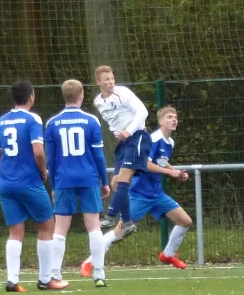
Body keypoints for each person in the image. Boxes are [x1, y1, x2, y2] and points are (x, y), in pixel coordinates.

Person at [80, 106, 191, 274]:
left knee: (185, 221)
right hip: (140, 193)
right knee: (120, 230)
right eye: (169, 117)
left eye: (175, 117)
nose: (174, 120)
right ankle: (89, 262)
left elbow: (160, 161)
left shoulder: (170, 142)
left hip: (157, 194)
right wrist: (170, 172)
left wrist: (176, 171)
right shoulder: (152, 139)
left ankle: (168, 255)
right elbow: (145, 163)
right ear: (161, 121)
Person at [0, 81, 69, 292]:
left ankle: (12, 280)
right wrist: (43, 171)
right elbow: (38, 151)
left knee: (15, 232)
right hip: (29, 182)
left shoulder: (2, 121)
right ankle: (46, 279)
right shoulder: (32, 119)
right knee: (47, 226)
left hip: (6, 184)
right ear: (31, 96)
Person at [45, 79, 110, 287]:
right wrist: (104, 181)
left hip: (64, 179)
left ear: (64, 96)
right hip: (88, 178)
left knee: (60, 229)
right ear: (81, 95)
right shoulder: (91, 121)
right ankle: (99, 274)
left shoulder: (52, 123)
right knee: (94, 226)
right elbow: (99, 156)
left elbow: (50, 160)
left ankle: (55, 273)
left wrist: (54, 186)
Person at [93, 65, 151, 242]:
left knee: (124, 178)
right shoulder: (98, 101)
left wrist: (129, 130)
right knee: (117, 183)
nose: (110, 82)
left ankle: (110, 217)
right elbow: (113, 120)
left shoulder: (123, 93)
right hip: (123, 142)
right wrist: (119, 132)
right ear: (98, 82)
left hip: (137, 136)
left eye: (112, 78)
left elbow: (143, 112)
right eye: (106, 80)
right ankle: (127, 222)